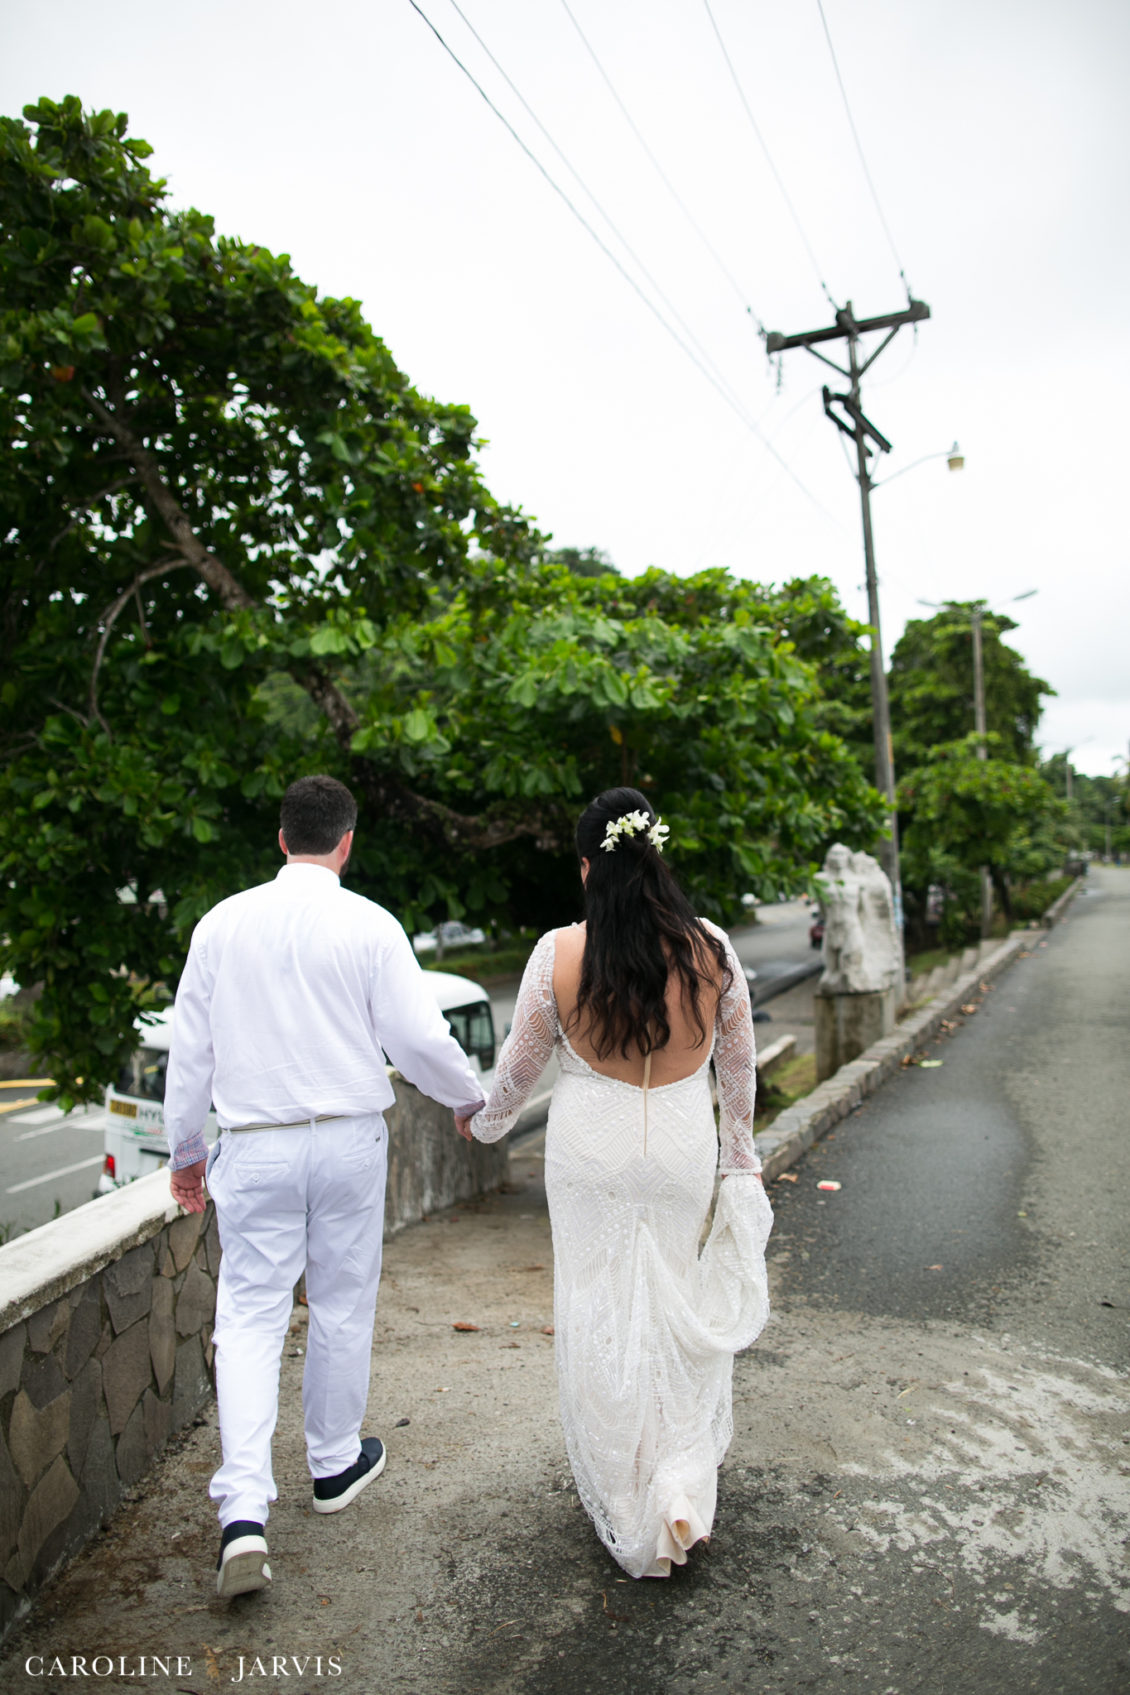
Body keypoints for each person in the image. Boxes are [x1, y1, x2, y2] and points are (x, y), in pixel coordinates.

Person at [165, 775, 485, 1599]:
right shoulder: (371, 923)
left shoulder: (220, 924)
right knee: (342, 1301)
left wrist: (185, 1149)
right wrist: (467, 1098)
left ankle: (243, 1511)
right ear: (346, 843)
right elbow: (417, 1035)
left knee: (249, 1316)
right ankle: (335, 1463)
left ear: (281, 839)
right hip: (347, 1138)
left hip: (256, 1144)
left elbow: (190, 1050)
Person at [457, 787, 772, 1578]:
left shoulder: (559, 953)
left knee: (598, 1308)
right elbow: (738, 1067)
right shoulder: (712, 950)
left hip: (589, 1153)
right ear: (655, 853)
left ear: (587, 866)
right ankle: (677, 1480)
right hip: (680, 1147)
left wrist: (483, 1125)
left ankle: (629, 1488)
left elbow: (517, 1073)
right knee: (672, 1301)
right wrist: (739, 1156)